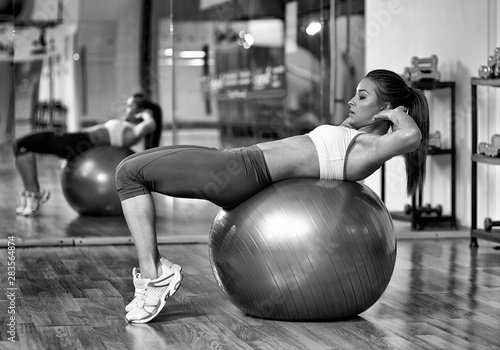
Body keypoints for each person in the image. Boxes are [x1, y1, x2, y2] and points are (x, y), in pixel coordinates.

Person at [115, 69, 430, 324]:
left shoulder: (368, 148)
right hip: (237, 163)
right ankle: (154, 270)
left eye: (362, 96)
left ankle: (154, 275)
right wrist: (382, 113)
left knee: (128, 174)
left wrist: (396, 113)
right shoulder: (356, 139)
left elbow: (411, 136)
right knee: (130, 168)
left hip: (241, 171)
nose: (351, 100)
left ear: (383, 109)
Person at [13, 92, 160, 217]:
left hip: (77, 142)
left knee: (21, 145)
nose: (125, 109)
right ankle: (32, 193)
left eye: (130, 106)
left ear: (141, 111)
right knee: (21, 146)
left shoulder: (133, 132)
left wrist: (148, 116)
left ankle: (34, 194)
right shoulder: (128, 127)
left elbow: (151, 125)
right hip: (77, 140)